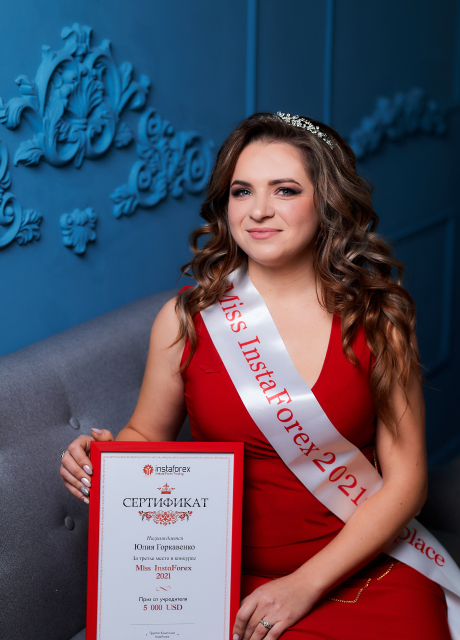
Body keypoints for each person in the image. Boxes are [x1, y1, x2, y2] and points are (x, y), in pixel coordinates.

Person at [60, 112, 451, 639]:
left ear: (328, 202)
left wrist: (302, 585)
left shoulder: (378, 321)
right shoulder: (185, 320)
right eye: (242, 191)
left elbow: (407, 482)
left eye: (285, 190)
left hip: (356, 565)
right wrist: (102, 459)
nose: (259, 210)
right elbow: (145, 434)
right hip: (211, 574)